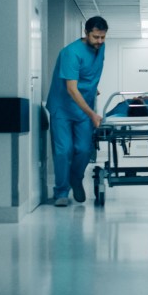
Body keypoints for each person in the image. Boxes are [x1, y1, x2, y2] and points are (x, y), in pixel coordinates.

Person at [46, 16, 108, 207]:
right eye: (96, 37)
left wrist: (92, 88)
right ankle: (61, 192)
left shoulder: (100, 47)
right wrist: (92, 114)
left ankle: (75, 178)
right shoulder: (70, 53)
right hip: (63, 108)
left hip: (84, 107)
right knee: (64, 150)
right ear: (86, 33)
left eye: (103, 37)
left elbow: (90, 72)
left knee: (84, 149)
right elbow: (72, 88)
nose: (99, 41)